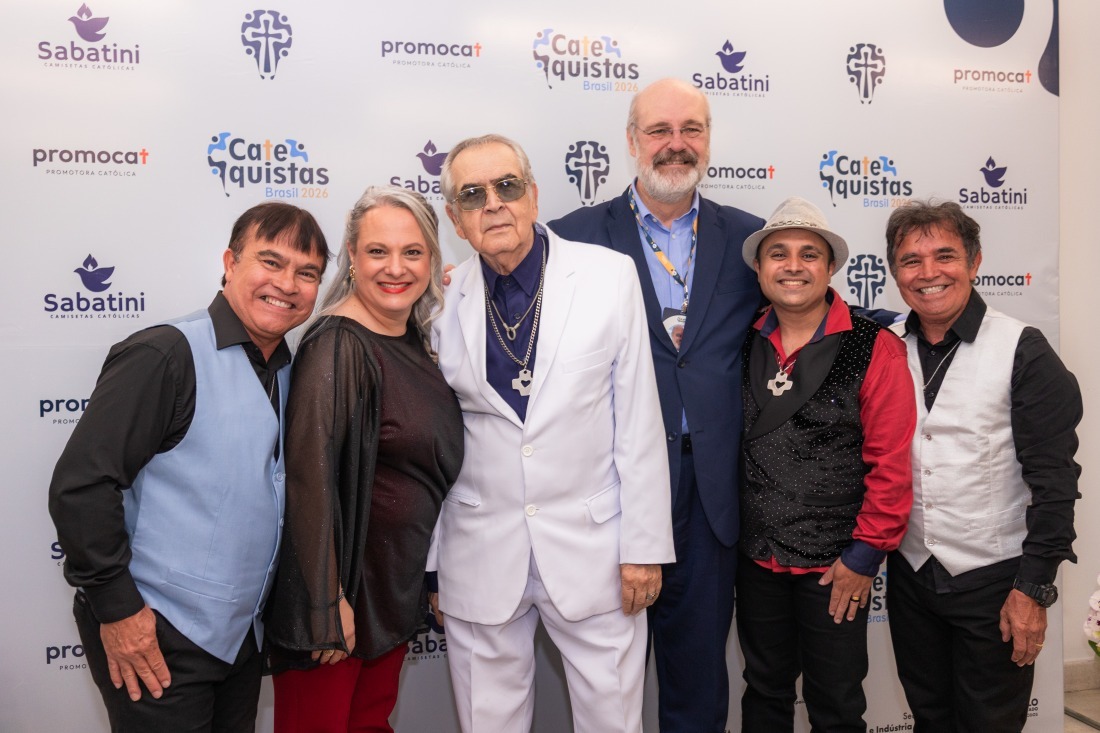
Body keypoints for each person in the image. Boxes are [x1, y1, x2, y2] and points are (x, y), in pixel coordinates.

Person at [48, 202, 330, 732]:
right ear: (230, 262)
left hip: (240, 640)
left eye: (307, 272)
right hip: (156, 634)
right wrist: (118, 610)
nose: (287, 284)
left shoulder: (288, 368)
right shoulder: (165, 354)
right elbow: (82, 486)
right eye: (270, 262)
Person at [429, 133, 674, 733]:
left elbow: (639, 421)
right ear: (456, 220)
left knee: (613, 723)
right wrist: (433, 564)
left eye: (507, 186)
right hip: (479, 551)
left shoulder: (609, 276)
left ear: (534, 196)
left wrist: (644, 548)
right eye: (472, 194)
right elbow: (426, 442)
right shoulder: (437, 301)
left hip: (597, 553)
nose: (493, 204)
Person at [548, 77, 764, 732]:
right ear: (631, 140)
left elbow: (810, 310)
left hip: (708, 492)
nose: (676, 143)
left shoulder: (751, 240)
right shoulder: (569, 239)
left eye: (691, 129)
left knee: (698, 677)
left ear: (709, 139)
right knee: (605, 681)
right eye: (659, 130)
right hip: (605, 490)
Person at [263, 186, 464, 732]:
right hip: (339, 607)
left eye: (412, 252)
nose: (396, 268)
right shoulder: (338, 345)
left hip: (389, 593)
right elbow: (308, 479)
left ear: (432, 258)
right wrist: (325, 604)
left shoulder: (412, 337)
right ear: (352, 255)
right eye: (378, 251)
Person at [883, 200, 1081, 732]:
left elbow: (1056, 484)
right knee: (929, 718)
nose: (928, 272)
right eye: (911, 260)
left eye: (945, 256)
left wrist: (1033, 589)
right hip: (911, 575)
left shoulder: (1023, 350)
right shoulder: (885, 344)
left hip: (996, 582)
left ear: (974, 262)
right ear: (895, 274)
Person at [736, 196, 915, 732]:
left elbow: (891, 466)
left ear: (830, 266)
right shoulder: (740, 339)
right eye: (779, 254)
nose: (793, 266)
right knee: (763, 690)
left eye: (809, 254)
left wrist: (863, 556)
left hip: (835, 564)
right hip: (757, 557)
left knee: (835, 703)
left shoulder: (874, 346)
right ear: (760, 269)